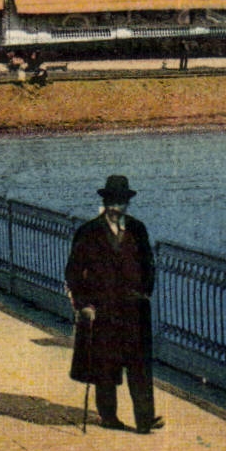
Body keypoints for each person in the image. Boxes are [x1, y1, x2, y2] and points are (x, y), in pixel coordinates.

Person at [64, 175, 161, 434]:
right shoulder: (89, 232)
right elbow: (74, 272)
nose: (118, 207)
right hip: (104, 308)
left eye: (122, 202)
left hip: (135, 309)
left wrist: (145, 293)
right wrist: (83, 305)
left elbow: (148, 265)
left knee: (140, 365)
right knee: (106, 365)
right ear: (105, 203)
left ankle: (145, 419)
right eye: (113, 202)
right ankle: (109, 417)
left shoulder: (138, 230)